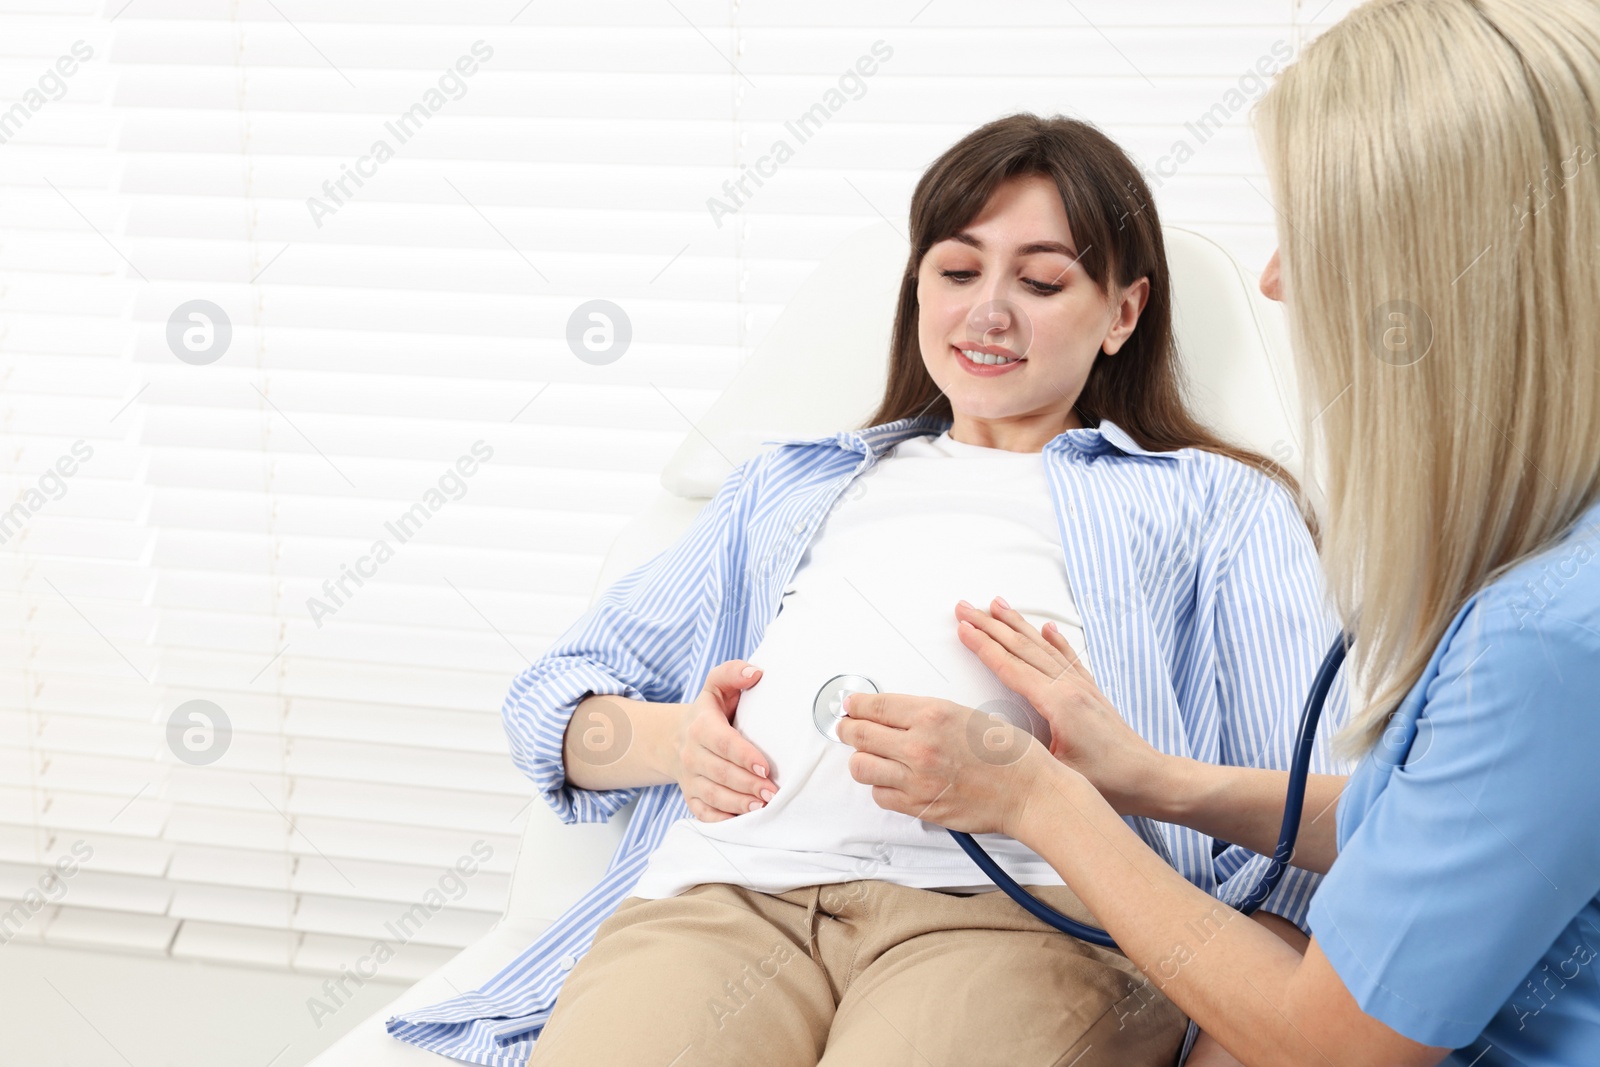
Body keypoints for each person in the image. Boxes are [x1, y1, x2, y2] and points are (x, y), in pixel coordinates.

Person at [492, 111, 1348, 1067]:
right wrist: (675, 742)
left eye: (1041, 279)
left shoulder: (1215, 503)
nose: (989, 310)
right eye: (956, 270)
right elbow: (548, 705)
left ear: (1123, 313)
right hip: (732, 900)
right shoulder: (789, 484)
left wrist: (1235, 1015)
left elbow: (1311, 825)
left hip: (1024, 917)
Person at [838, 2, 1600, 1065]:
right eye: (957, 270)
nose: (1275, 278)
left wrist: (1038, 799)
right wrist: (1155, 778)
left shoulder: (1545, 637)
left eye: (1315, 233)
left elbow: (1327, 1042)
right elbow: (1452, 819)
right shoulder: (1562, 581)